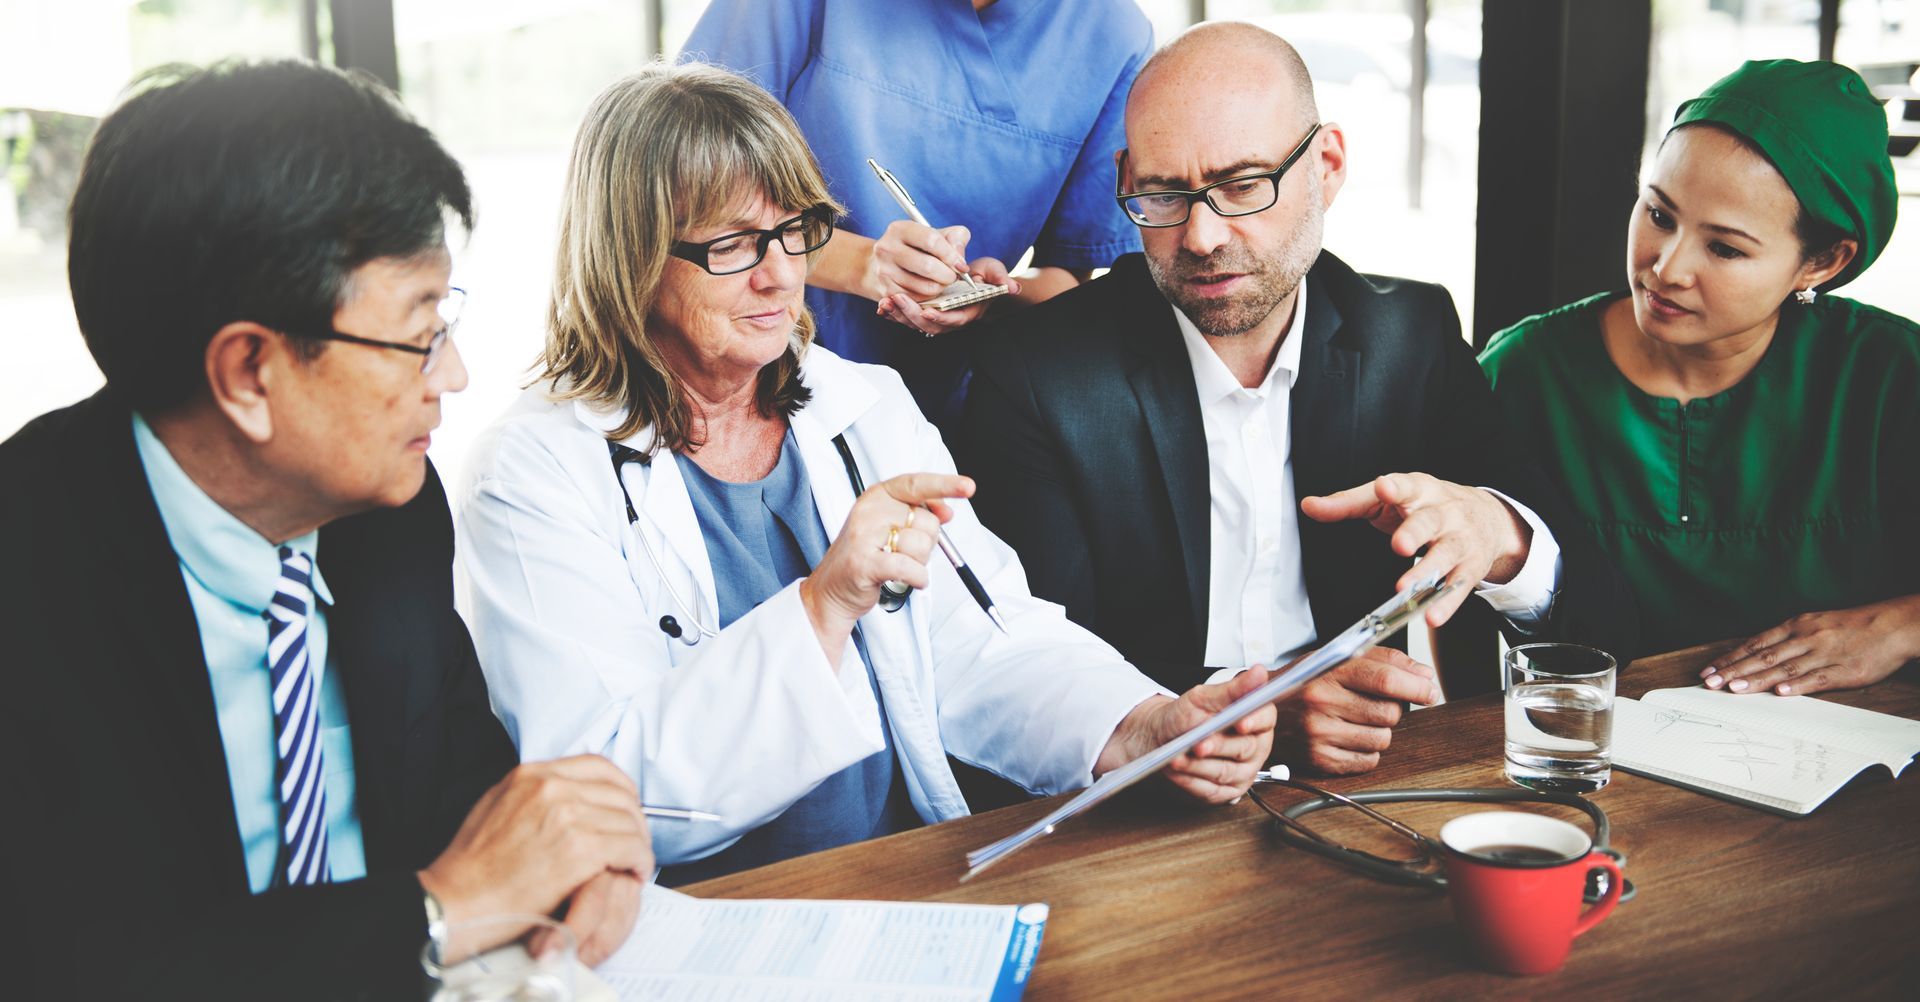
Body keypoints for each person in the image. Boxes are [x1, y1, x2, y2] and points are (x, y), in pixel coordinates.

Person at [455, 63, 1278, 883]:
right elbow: (605, 796)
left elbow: (986, 642)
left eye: (795, 230)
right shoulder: (533, 471)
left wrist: (1142, 726)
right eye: (734, 243)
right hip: (694, 921)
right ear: (630, 254)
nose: (779, 273)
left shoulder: (865, 407)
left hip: (897, 883)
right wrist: (823, 607)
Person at [0, 62, 654, 999]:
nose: (456, 375)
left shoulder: (388, 514)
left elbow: (468, 790)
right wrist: (442, 908)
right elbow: (83, 963)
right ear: (249, 374)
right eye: (420, 331)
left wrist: (570, 858)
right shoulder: (29, 584)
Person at [959, 22, 1639, 774]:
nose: (1203, 235)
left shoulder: (1408, 337)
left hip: (1371, 791)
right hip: (1136, 816)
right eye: (1163, 194)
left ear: (1328, 166)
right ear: (1126, 182)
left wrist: (1502, 534)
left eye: (1244, 185)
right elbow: (1032, 670)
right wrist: (1261, 715)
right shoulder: (1036, 373)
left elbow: (1598, 621)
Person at [1481, 59, 1918, 697]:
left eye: (1725, 248)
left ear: (1821, 262)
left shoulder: (1891, 379)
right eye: (1659, 214)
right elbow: (1449, 587)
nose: (1667, 267)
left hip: (1855, 768)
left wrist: (1901, 627)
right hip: (1591, 759)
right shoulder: (1523, 373)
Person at [680, 0, 1151, 424]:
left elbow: (1066, 284)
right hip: (749, 369)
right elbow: (686, 178)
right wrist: (864, 266)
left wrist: (986, 297)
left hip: (945, 408)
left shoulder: (1113, 35)